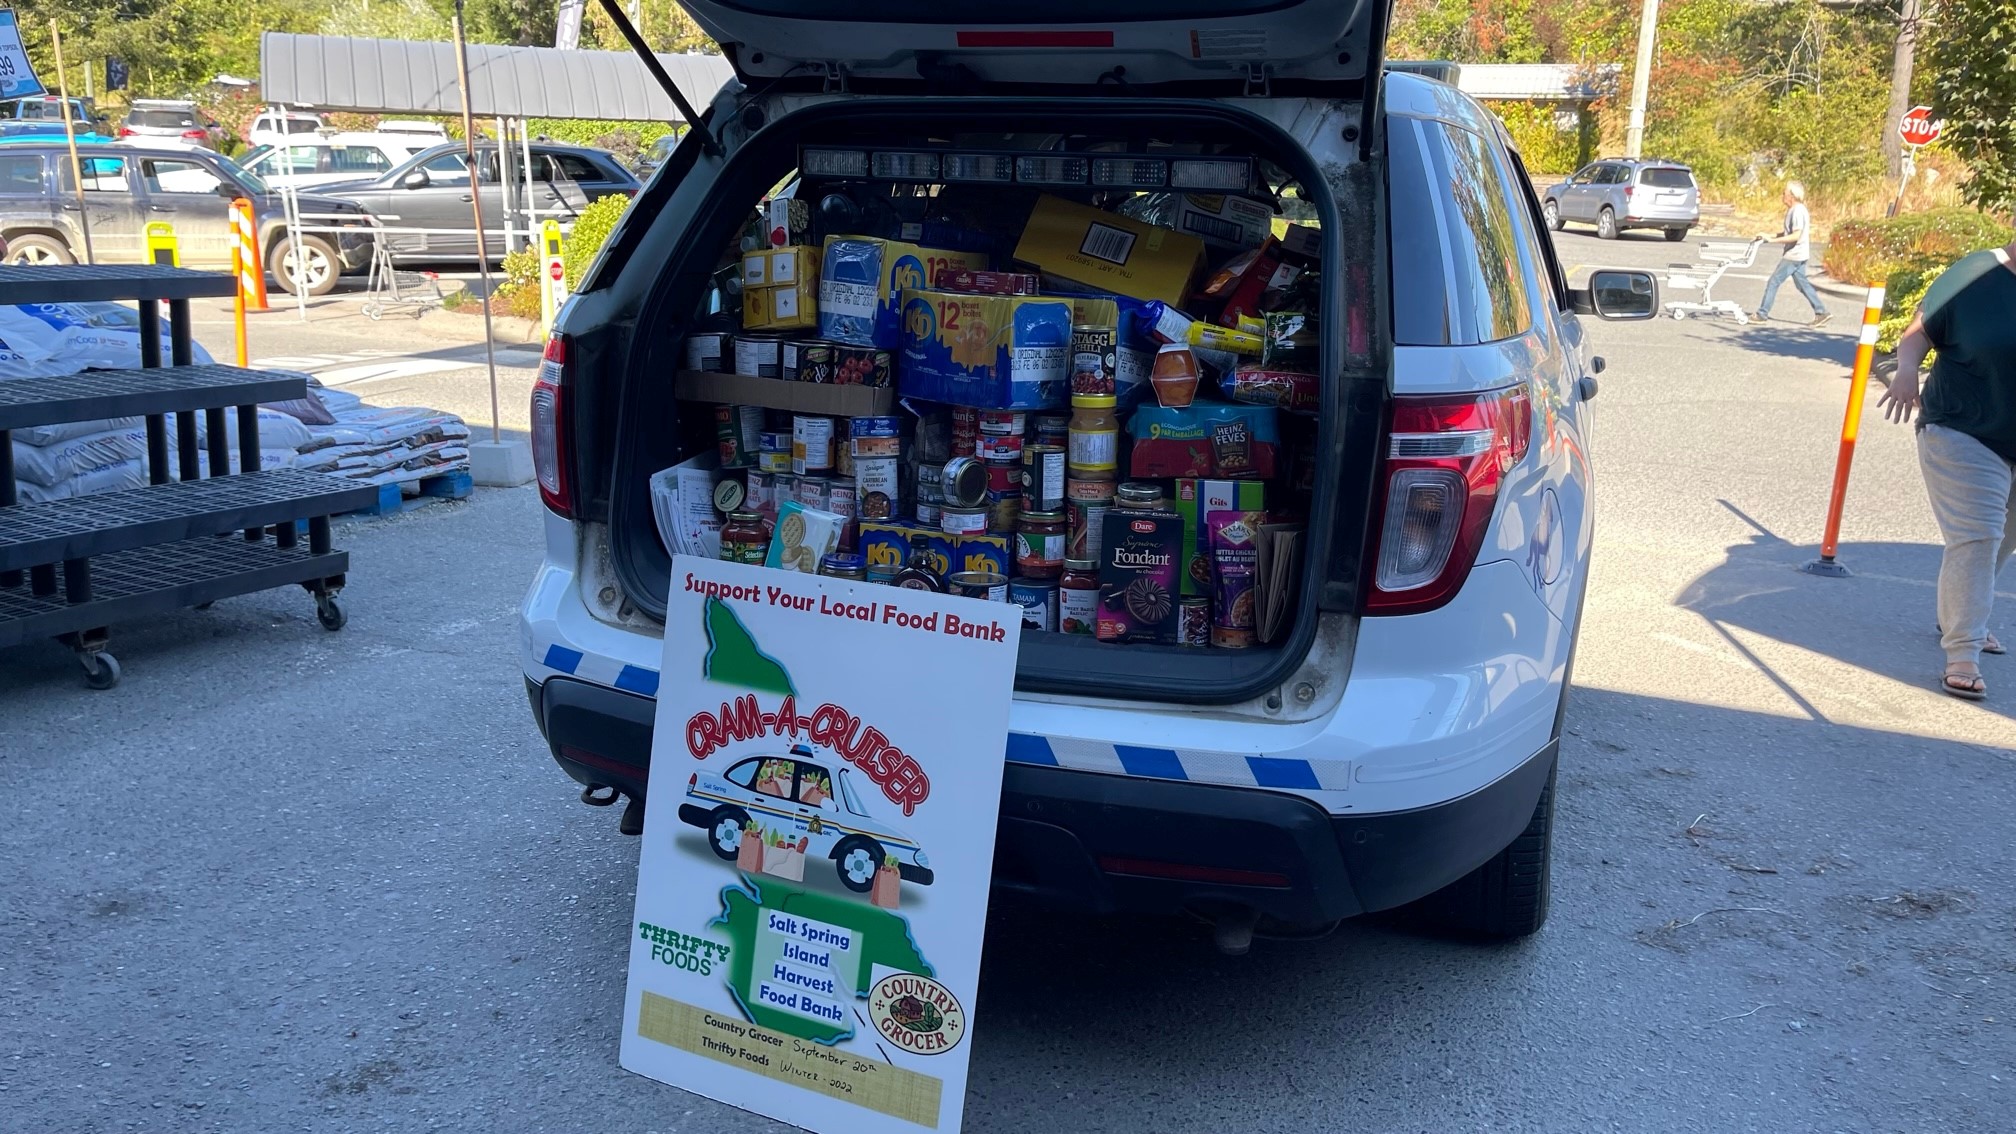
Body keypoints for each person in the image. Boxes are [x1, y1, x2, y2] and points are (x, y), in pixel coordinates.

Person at [1877, 233, 2016, 699]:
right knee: (1978, 536)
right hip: (1962, 427)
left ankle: (1959, 614)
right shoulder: (1976, 273)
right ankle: (1963, 652)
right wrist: (1906, 371)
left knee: (2004, 537)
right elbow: (1920, 330)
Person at [1754, 182, 1832, 327]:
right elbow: (1787, 233)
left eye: (1784, 193)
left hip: (1794, 255)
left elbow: (1796, 235)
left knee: (1773, 282)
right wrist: (1769, 236)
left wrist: (1773, 241)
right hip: (1800, 254)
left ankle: (1762, 314)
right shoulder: (1796, 210)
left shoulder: (1797, 211)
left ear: (1792, 196)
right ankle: (1821, 312)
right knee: (1802, 284)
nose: (1782, 195)